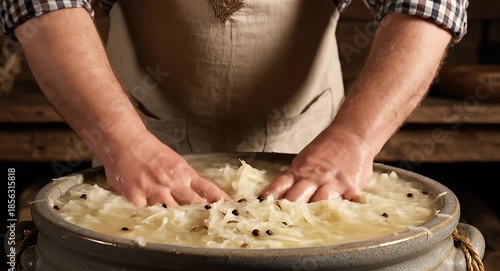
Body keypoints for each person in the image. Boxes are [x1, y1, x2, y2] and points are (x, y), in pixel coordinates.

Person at [1, 0, 467, 207]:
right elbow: (43, 2)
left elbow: (428, 1)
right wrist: (123, 140)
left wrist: (355, 137)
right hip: (132, 157)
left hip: (313, 166)